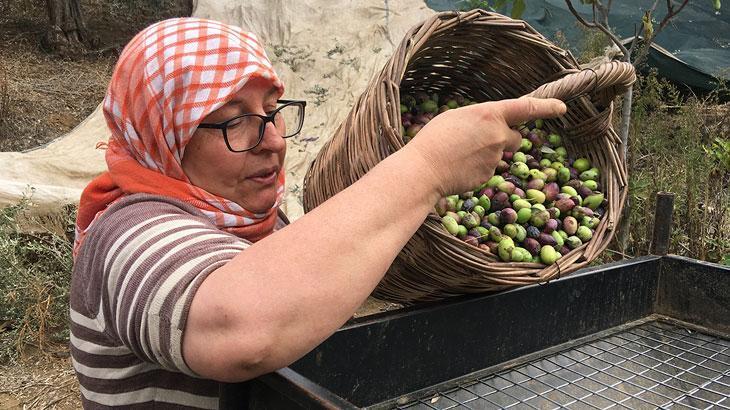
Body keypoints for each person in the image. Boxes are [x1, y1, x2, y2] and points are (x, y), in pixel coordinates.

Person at [69, 17, 566, 409]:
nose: (275, 140)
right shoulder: (125, 231)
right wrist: (427, 166)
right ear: (163, 133)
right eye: (234, 121)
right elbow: (244, 332)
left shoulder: (253, 221)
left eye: (272, 110)